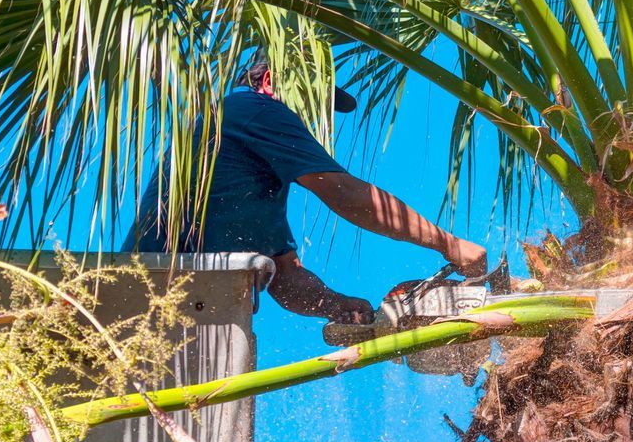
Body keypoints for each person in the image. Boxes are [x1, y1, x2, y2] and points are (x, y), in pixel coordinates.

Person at [128, 59, 486, 324]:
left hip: (186, 301)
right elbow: (344, 193)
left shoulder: (249, 168)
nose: (315, 117)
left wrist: (336, 304)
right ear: (268, 82)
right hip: (153, 293)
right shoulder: (252, 109)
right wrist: (450, 245)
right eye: (311, 99)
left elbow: (284, 278)